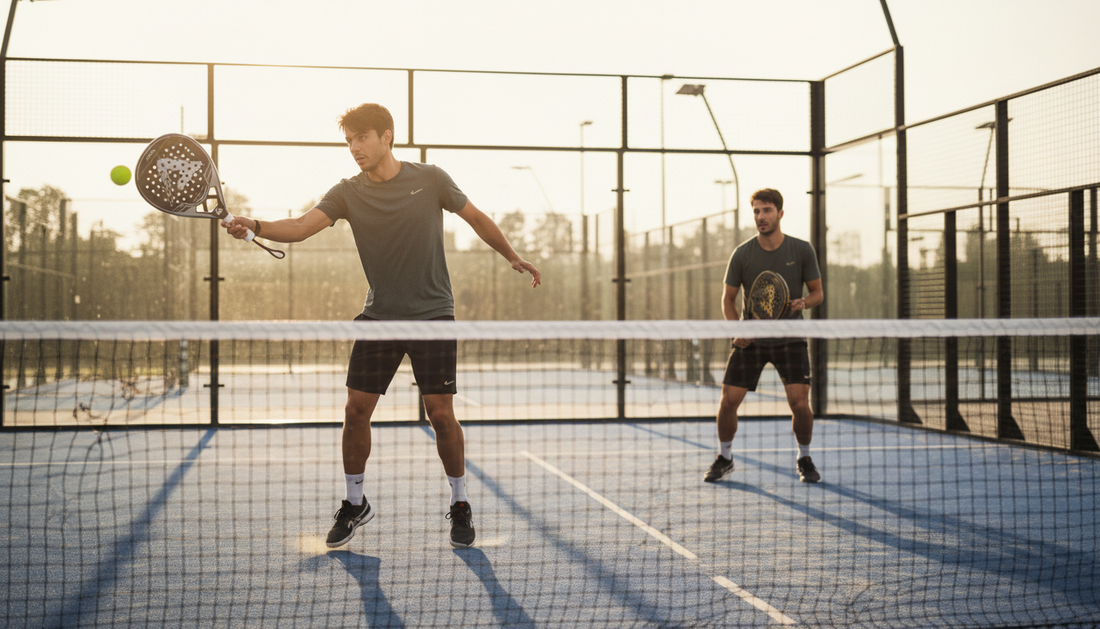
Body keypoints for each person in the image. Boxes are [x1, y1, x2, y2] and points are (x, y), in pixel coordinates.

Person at [221, 103, 541, 549]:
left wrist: (512, 255)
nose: (354, 148)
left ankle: (461, 502)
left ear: (387, 136)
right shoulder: (347, 192)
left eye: (362, 138)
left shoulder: (430, 179)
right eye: (349, 141)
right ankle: (355, 503)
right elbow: (299, 226)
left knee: (441, 415)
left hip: (433, 316)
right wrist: (254, 224)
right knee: (355, 411)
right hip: (379, 318)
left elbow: (475, 217)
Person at [704, 188, 824, 484]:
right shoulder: (743, 254)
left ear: (780, 214)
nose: (761, 216)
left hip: (790, 337)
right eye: (756, 211)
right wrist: (738, 330)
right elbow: (727, 300)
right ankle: (725, 457)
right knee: (728, 401)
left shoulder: (802, 250)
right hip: (751, 340)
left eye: (767, 210)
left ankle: (804, 457)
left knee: (799, 404)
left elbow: (818, 293)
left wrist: (803, 303)